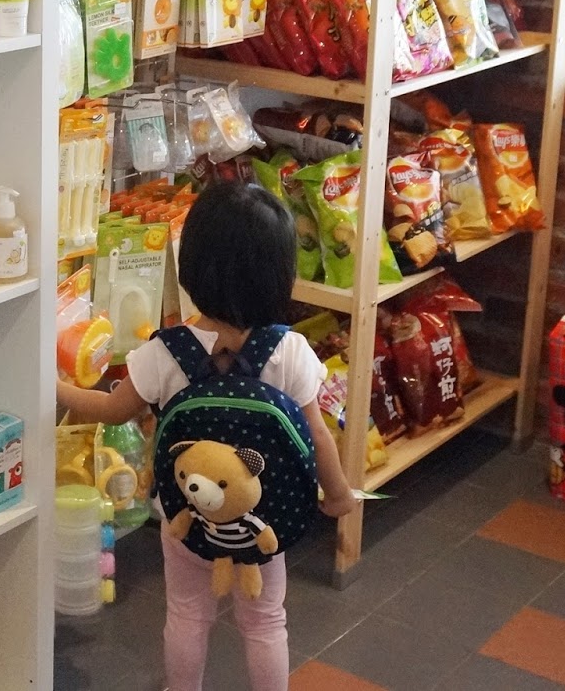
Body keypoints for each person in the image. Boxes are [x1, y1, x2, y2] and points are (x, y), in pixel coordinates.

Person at [57, 181, 358, 691]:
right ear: (280, 277)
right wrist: (340, 493)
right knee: (266, 621)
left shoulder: (164, 352)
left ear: (191, 267)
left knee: (187, 614)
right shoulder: (289, 352)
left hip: (186, 516)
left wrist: (54, 387)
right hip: (264, 517)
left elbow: (111, 409)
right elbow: (316, 435)